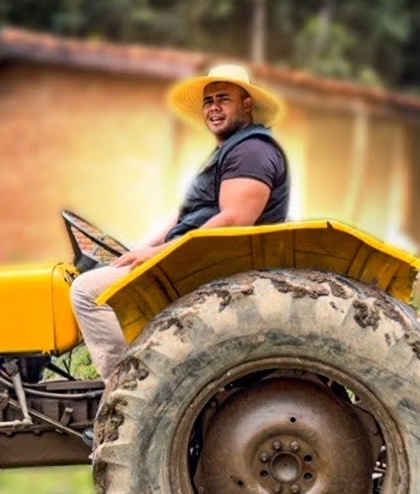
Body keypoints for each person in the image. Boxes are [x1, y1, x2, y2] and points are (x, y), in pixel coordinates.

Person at [70, 63, 289, 378]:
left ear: (247, 103)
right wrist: (145, 247)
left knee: (87, 291)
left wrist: (158, 255)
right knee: (108, 277)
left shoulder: (252, 151)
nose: (213, 108)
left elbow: (234, 222)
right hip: (196, 258)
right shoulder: (231, 150)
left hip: (210, 264)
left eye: (223, 99)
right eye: (208, 100)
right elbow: (187, 213)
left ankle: (124, 391)